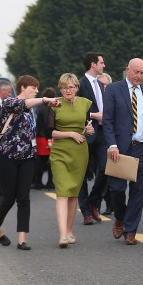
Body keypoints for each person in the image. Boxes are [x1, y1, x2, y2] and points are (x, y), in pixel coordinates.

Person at [0, 75, 61, 250]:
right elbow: (25, 105)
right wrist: (45, 99)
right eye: (33, 88)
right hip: (7, 156)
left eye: (37, 88)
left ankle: (22, 239)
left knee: (24, 197)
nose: (36, 91)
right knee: (9, 197)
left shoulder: (33, 109)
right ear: (22, 87)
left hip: (28, 156)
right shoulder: (9, 102)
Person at [104, 58, 143, 245]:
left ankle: (130, 230)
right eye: (136, 72)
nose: (139, 76)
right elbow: (108, 120)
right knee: (117, 189)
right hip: (120, 149)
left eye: (142, 73)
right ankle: (120, 217)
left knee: (138, 192)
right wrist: (112, 145)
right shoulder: (113, 89)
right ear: (127, 70)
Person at [48, 73, 95, 248]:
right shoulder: (54, 104)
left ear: (76, 88)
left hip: (80, 152)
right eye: (64, 87)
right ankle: (62, 235)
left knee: (73, 194)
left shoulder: (85, 103)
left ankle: (69, 231)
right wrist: (70, 133)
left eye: (71, 87)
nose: (68, 90)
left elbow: (87, 126)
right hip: (60, 151)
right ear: (60, 88)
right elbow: (48, 132)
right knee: (62, 193)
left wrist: (88, 131)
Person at [77, 52, 107, 225]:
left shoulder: (101, 85)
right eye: (102, 63)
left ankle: (93, 201)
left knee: (106, 169)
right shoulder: (80, 85)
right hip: (86, 132)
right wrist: (95, 115)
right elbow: (76, 110)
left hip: (103, 133)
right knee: (82, 173)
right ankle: (86, 211)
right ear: (93, 64)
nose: (104, 66)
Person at [33, 87, 56, 190]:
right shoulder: (50, 108)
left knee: (40, 161)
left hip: (39, 136)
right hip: (47, 137)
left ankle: (38, 182)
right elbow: (49, 125)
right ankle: (50, 182)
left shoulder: (39, 107)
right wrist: (49, 138)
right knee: (51, 161)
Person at [97, 72, 113, 215]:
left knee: (113, 172)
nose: (103, 88)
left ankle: (111, 203)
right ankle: (99, 201)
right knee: (102, 170)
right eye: (100, 85)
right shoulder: (96, 99)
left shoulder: (115, 97)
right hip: (98, 136)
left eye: (105, 85)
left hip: (114, 138)